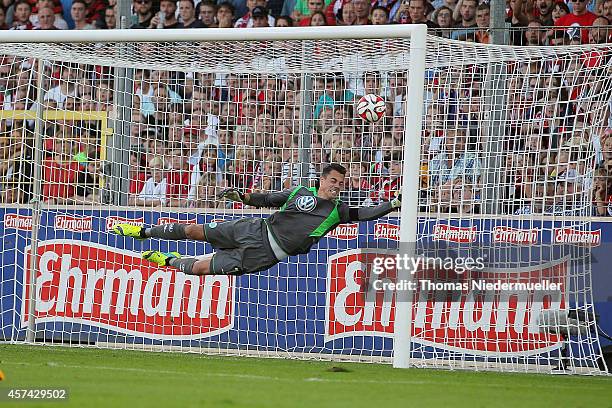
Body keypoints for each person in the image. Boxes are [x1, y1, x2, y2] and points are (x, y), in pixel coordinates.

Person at [111, 163, 402, 276]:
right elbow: (266, 199)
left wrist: (392, 204)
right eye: (334, 181)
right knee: (192, 230)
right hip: (251, 228)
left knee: (198, 268)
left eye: (341, 183)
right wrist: (242, 197)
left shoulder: (338, 211)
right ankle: (144, 231)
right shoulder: (300, 191)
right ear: (322, 180)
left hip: (263, 255)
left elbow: (364, 214)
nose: (338, 186)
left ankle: (169, 260)